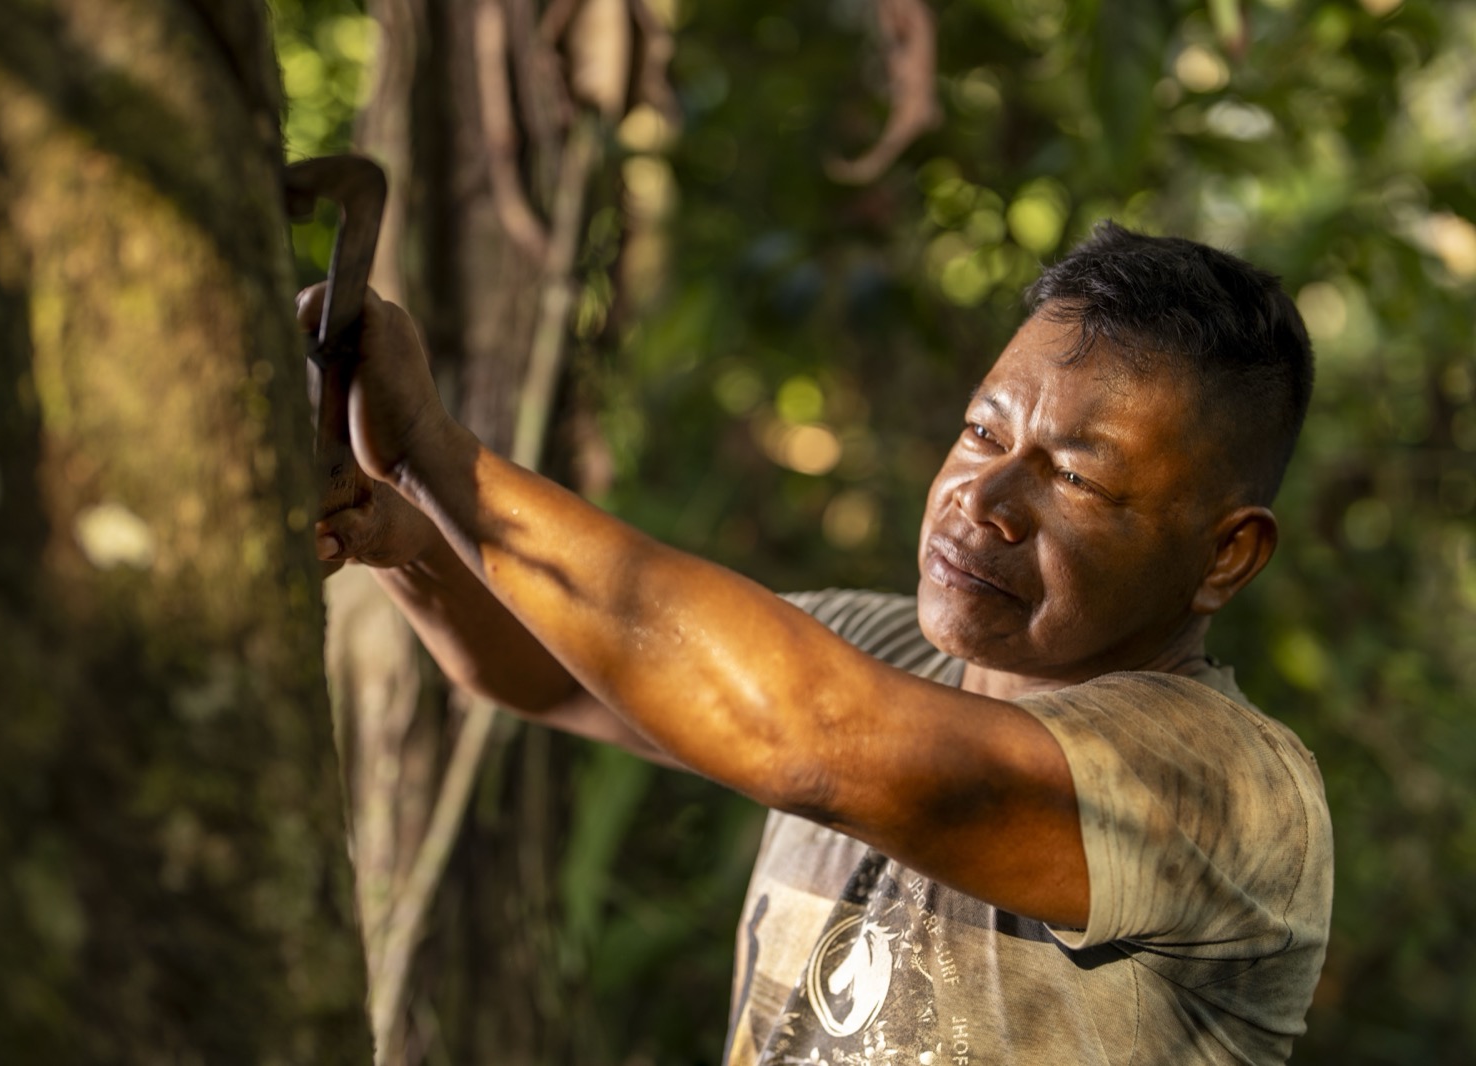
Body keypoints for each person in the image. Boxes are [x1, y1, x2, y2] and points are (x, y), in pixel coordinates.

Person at [302, 222, 1333, 1065]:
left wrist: (437, 456)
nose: (985, 500)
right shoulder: (873, 646)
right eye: (982, 432)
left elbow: (809, 735)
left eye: (1075, 478)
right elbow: (537, 668)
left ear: (1225, 556)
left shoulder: (1229, 787)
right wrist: (396, 528)